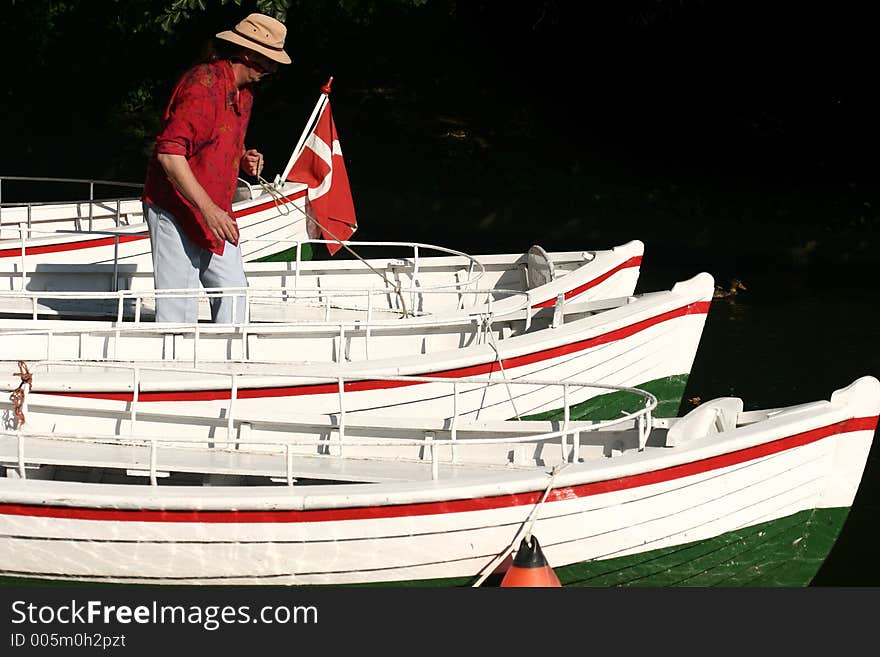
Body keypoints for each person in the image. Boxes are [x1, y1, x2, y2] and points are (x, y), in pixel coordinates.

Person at [141, 13, 291, 323]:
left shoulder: (245, 95)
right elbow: (169, 155)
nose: (272, 70)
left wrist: (245, 157)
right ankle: (174, 363)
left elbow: (219, 142)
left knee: (234, 294)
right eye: (268, 62)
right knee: (177, 309)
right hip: (176, 206)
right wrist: (208, 209)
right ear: (247, 54)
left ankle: (231, 360)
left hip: (216, 210)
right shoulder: (203, 84)